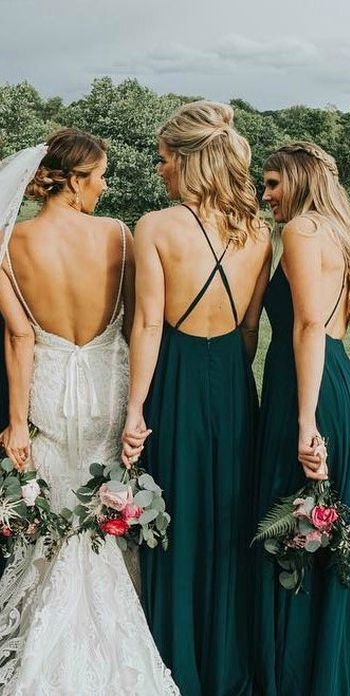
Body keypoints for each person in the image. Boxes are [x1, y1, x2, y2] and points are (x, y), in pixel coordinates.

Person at [0, 130, 179, 695]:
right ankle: (115, 629)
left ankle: (46, 642)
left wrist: (17, 420)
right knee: (104, 504)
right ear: (76, 180)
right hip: (107, 385)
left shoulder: (12, 242)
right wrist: (135, 403)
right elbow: (135, 324)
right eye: (99, 176)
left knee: (53, 505)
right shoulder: (119, 237)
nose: (104, 187)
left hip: (49, 387)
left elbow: (19, 336)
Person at [122, 100, 271, 696]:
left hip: (176, 379)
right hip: (232, 382)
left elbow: (149, 326)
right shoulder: (259, 230)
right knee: (227, 514)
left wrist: (135, 410)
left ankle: (173, 652)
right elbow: (250, 329)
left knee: (177, 512)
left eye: (163, 160)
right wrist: (230, 379)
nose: (159, 171)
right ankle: (228, 657)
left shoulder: (156, 227)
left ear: (188, 160)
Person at [255, 142, 350, 695]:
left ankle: (298, 671)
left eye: (274, 183)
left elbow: (309, 326)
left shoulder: (302, 232)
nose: (266, 194)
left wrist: (305, 422)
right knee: (317, 528)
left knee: (297, 524)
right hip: (337, 385)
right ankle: (325, 663)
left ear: (299, 182)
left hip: (310, 389)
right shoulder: (339, 231)